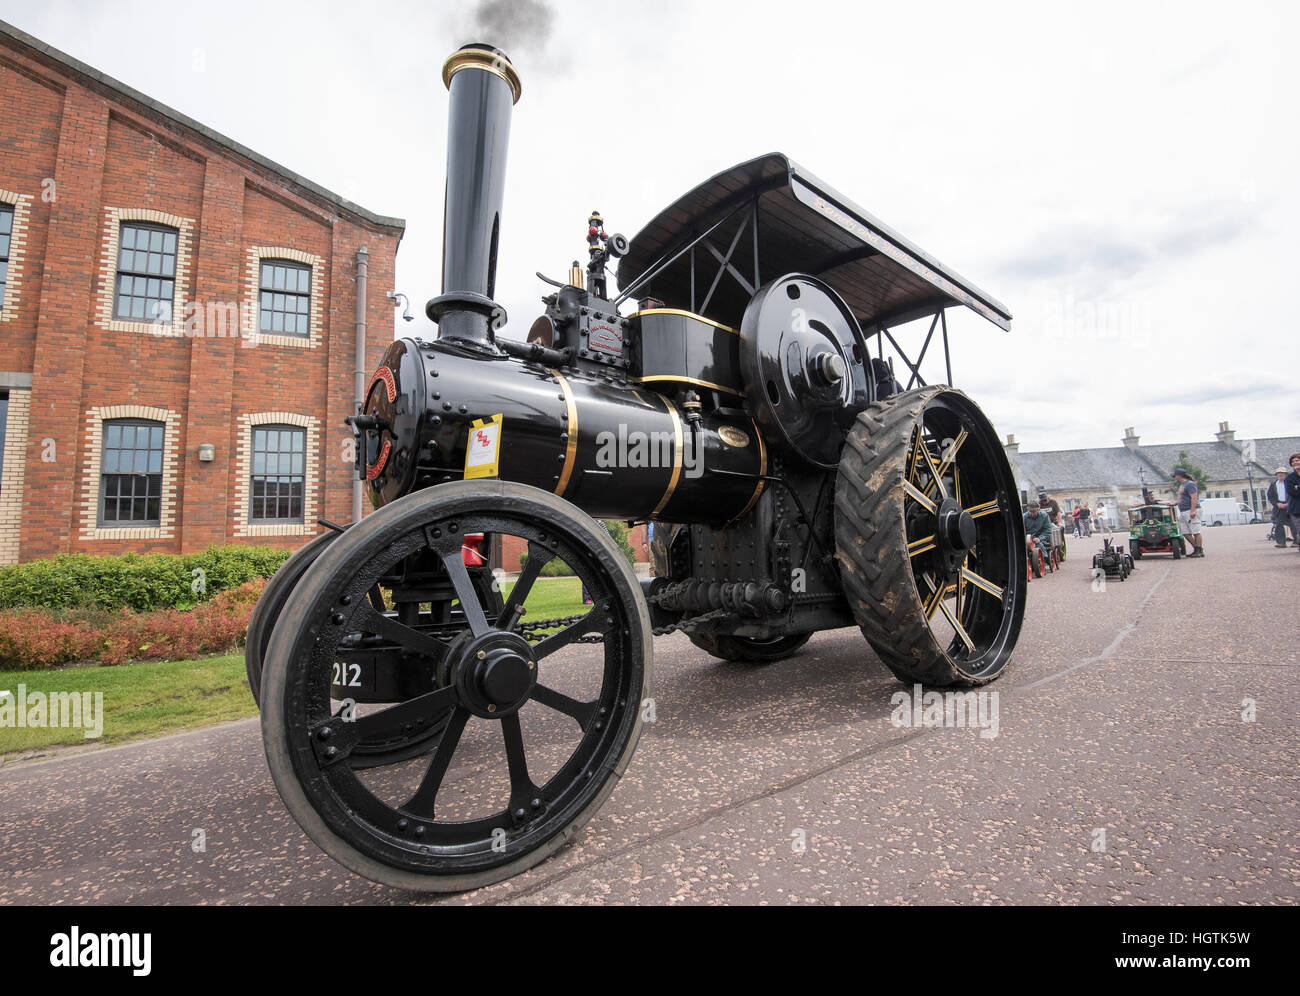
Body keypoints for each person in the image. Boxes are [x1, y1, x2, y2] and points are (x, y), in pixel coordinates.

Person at [1173, 468, 1204, 558]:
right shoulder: (1182, 485)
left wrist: (1193, 510)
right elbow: (1181, 498)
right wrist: (1174, 503)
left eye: (1175, 476)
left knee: (1195, 531)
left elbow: (1194, 497)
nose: (1175, 477)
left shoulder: (1190, 484)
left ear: (1179, 475)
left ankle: (1199, 550)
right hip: (1183, 511)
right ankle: (1196, 548)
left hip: (1190, 510)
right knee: (1184, 531)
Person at [1267, 466, 1294, 547]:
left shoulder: (1290, 483)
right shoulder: (1273, 485)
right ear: (1276, 475)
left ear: (1286, 475)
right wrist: (1277, 504)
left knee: (1293, 523)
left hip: (1290, 505)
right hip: (1279, 506)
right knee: (1279, 524)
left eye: (1282, 474)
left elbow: (1294, 494)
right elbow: (1270, 496)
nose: (1280, 476)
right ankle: (1281, 542)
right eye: (1279, 474)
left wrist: (1288, 503)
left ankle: (1296, 541)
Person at [1287, 454, 1300, 554]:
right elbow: (1292, 492)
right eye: (1293, 462)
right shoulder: (1290, 477)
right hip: (1296, 510)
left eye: (1297, 460)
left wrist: (1298, 487)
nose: (1295, 463)